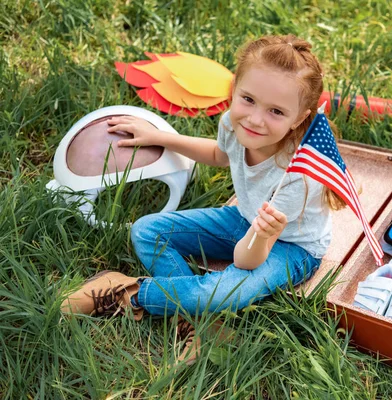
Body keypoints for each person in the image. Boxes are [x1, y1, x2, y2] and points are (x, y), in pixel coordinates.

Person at [60, 35, 345, 360]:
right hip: (244, 219)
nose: (254, 119)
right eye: (248, 99)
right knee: (147, 230)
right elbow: (218, 154)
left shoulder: (298, 175)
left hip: (287, 246)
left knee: (227, 292)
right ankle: (196, 321)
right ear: (234, 87)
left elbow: (245, 260)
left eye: (276, 111)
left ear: (299, 118)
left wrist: (263, 233)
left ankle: (128, 292)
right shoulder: (233, 124)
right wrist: (161, 137)